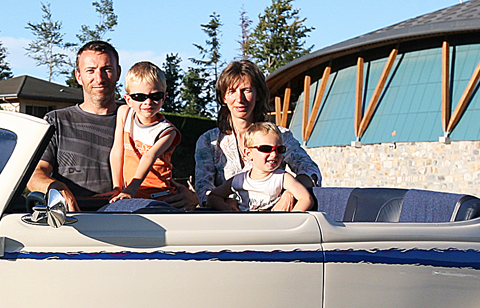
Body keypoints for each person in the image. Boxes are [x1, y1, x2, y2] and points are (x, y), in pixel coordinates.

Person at [27, 41, 197, 212]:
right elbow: (34, 175)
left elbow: (158, 171)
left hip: (131, 218)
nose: (99, 78)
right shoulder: (57, 121)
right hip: (74, 220)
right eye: (90, 70)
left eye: (107, 69)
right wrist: (56, 187)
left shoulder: (138, 118)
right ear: (78, 76)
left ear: (118, 73)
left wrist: (187, 196)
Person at [194, 59, 320, 211]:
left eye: (246, 90)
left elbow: (311, 171)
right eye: (232, 91)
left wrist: (290, 193)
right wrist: (227, 205)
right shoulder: (209, 142)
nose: (239, 99)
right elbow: (204, 191)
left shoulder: (282, 136)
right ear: (223, 98)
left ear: (258, 94)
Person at [109, 62, 180, 202]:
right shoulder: (124, 113)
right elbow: (117, 150)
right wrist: (117, 188)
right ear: (128, 100)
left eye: (155, 96)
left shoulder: (167, 131)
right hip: (130, 193)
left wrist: (131, 189)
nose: (148, 102)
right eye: (139, 97)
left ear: (164, 98)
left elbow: (149, 157)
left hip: (159, 194)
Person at [210, 123, 314, 212]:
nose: (274, 154)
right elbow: (213, 196)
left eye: (279, 149)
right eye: (266, 148)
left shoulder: (282, 178)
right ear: (248, 153)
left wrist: (290, 220)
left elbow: (306, 199)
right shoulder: (239, 180)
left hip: (272, 228)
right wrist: (226, 207)